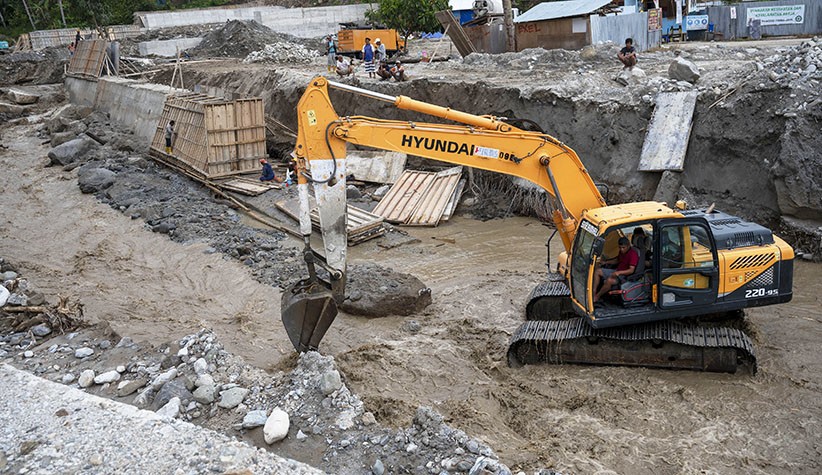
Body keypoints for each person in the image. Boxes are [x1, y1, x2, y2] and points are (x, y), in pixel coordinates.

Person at [593, 237, 639, 303]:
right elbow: (617, 260)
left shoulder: (633, 254)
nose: (621, 249)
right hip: (616, 270)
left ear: (628, 246)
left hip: (624, 276)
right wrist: (605, 262)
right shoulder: (621, 252)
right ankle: (594, 291)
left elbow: (631, 270)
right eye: (620, 247)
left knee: (609, 280)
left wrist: (619, 273)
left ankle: (597, 296)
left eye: (623, 247)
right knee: (598, 271)